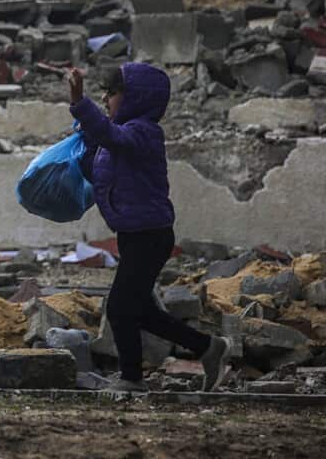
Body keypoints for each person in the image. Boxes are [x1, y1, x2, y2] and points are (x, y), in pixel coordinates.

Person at [67, 63, 231, 393]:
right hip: (132, 235)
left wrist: (79, 102)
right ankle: (208, 347)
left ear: (135, 98)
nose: (105, 98)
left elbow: (113, 137)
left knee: (119, 307)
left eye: (112, 93)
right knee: (139, 309)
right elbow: (99, 167)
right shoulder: (120, 137)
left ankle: (132, 378)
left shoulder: (144, 132)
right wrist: (81, 143)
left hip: (151, 236)